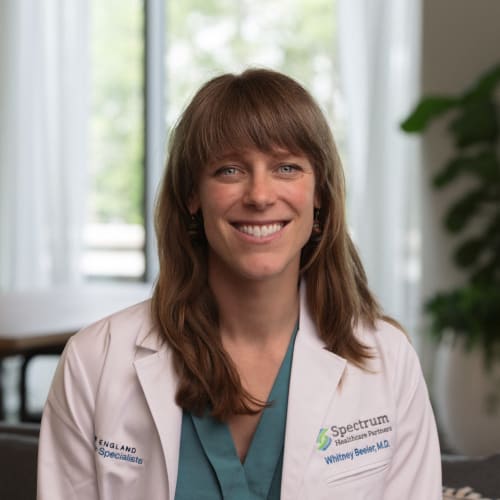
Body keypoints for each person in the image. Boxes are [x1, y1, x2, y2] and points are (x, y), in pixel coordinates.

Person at [37, 68, 442, 499]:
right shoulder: (94, 361)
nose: (260, 196)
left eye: (286, 167)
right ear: (192, 196)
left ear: (320, 194)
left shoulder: (388, 361)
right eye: (229, 170)